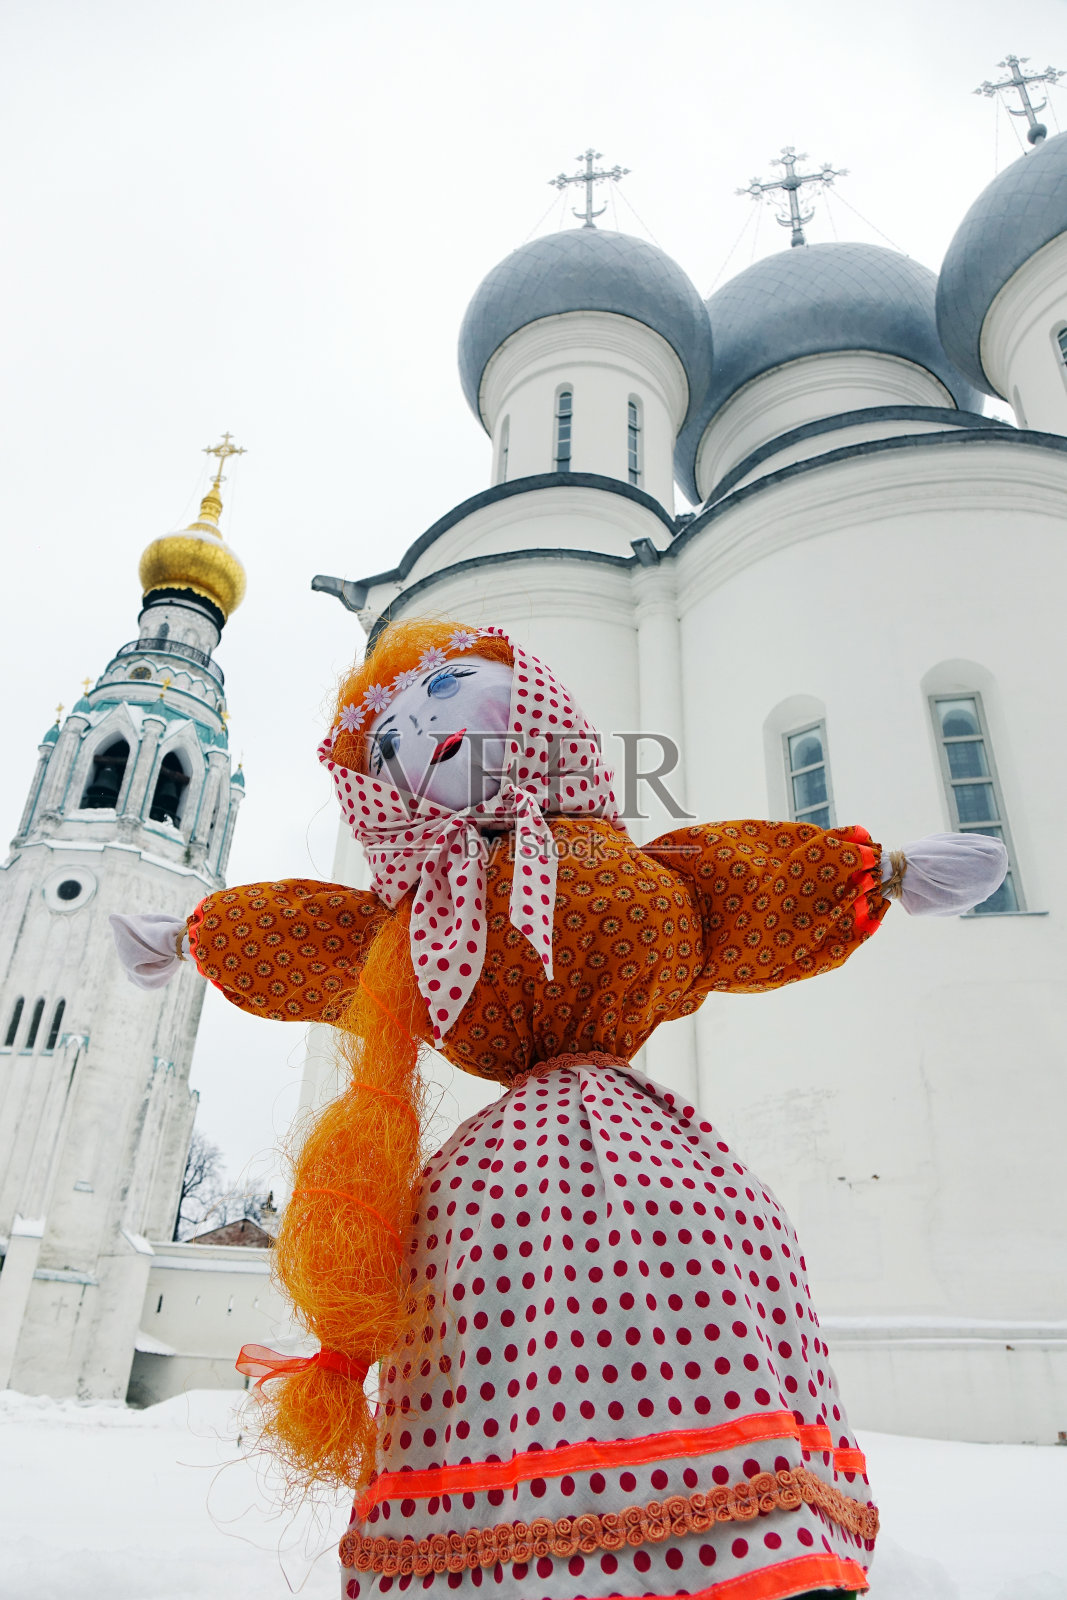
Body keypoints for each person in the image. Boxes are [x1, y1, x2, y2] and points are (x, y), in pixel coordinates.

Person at [112, 618, 1007, 1600]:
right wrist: (195, 935)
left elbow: (744, 888)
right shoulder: (413, 916)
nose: (428, 732)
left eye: (447, 693)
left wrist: (882, 873)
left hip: (652, 1157)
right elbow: (306, 936)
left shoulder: (642, 867)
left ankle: (739, 1525)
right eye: (394, 738)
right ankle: (509, 1540)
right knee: (488, 1311)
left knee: (696, 1259)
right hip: (494, 1185)